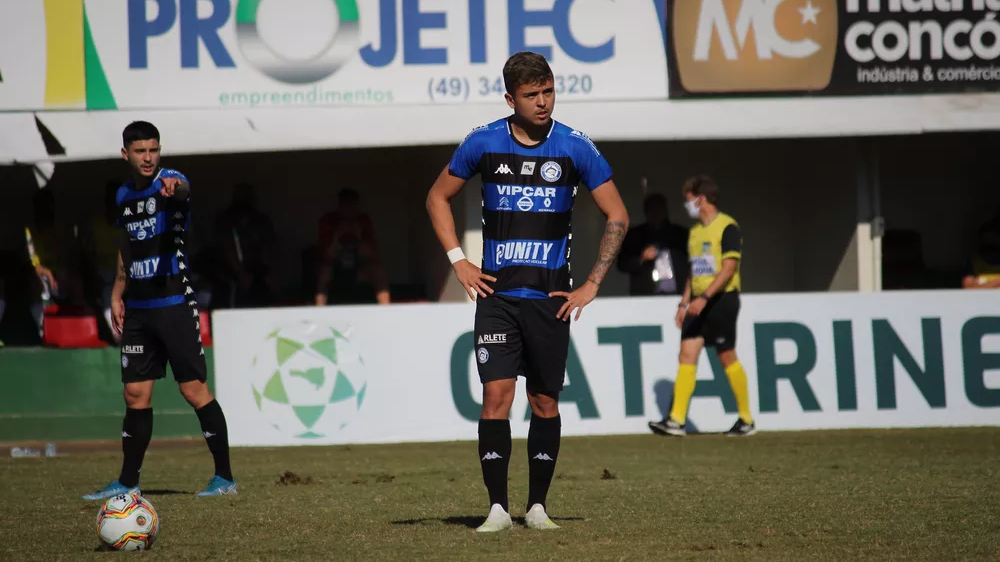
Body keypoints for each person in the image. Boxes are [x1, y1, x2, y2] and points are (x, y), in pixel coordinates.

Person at [426, 52, 629, 532]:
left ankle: (536, 507)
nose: (543, 102)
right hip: (497, 299)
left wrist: (592, 284)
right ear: (510, 98)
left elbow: (617, 215)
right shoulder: (484, 142)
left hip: (550, 302)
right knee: (496, 397)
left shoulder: (576, 147)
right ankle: (497, 508)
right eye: (531, 95)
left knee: (544, 403)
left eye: (548, 91)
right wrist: (459, 261)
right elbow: (437, 196)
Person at [82, 121, 237, 500]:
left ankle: (224, 478)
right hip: (138, 308)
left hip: (174, 305)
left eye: (153, 150)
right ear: (126, 154)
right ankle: (128, 481)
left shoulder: (170, 182)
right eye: (140, 151)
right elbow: (127, 244)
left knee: (193, 390)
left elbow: (182, 186)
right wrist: (118, 292)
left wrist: (174, 187)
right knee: (135, 393)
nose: (148, 157)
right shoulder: (122, 196)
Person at [648, 175, 756, 438]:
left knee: (726, 355)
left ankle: (746, 419)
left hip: (720, 300)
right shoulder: (695, 232)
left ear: (701, 198)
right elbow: (694, 272)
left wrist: (704, 297)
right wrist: (685, 302)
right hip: (697, 303)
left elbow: (729, 268)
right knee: (686, 354)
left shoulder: (728, 227)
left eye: (689, 200)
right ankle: (676, 420)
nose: (688, 206)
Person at [315, 188, 390, 306]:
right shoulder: (329, 221)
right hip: (336, 267)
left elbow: (372, 254)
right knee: (324, 273)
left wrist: (358, 237)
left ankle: (386, 310)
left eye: (351, 205)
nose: (348, 209)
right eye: (345, 205)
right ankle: (319, 312)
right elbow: (326, 256)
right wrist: (337, 236)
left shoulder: (363, 221)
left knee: (378, 271)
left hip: (358, 266)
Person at [215, 182, 277, 308]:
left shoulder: (260, 220)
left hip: (258, 275)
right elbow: (226, 247)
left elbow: (269, 247)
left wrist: (269, 274)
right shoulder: (226, 220)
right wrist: (240, 272)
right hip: (231, 277)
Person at [617, 192, 689, 296]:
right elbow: (622, 265)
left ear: (665, 211)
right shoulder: (635, 236)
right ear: (646, 212)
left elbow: (691, 263)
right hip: (645, 295)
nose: (656, 214)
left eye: (659, 209)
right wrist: (641, 258)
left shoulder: (680, 234)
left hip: (677, 294)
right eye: (652, 210)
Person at [962, 208, 1000, 290]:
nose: (990, 242)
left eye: (994, 237)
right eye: (986, 238)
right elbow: (968, 288)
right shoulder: (974, 261)